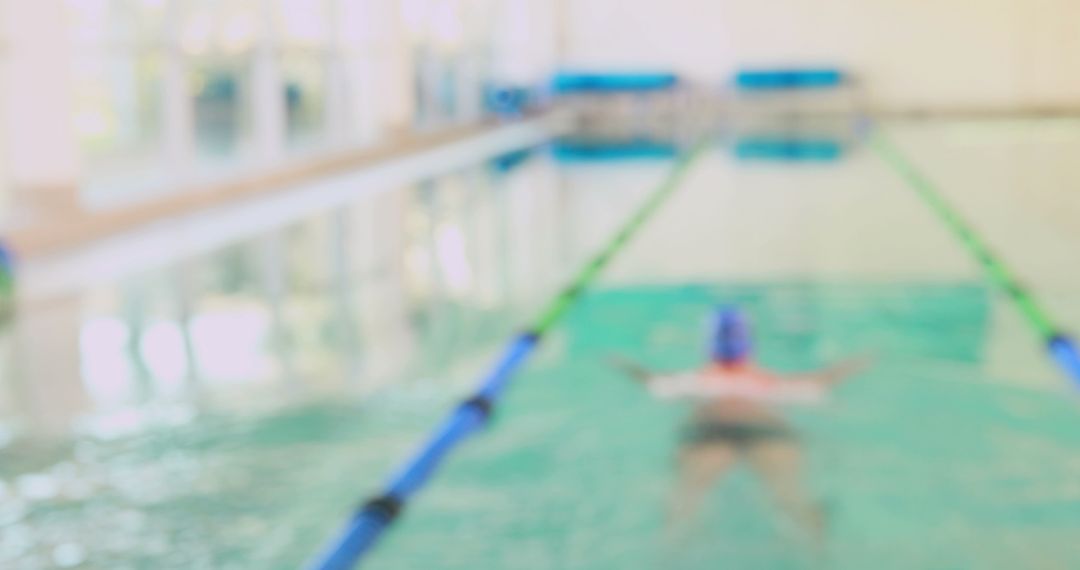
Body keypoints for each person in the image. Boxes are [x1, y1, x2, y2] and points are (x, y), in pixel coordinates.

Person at [611, 306, 868, 548]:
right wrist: (856, 363)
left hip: (710, 432)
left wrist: (621, 363)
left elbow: (652, 383)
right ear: (750, 345)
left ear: (708, 345)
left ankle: (668, 556)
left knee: (683, 506)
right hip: (767, 432)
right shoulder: (767, 382)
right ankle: (818, 553)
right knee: (792, 500)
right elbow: (819, 384)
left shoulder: (696, 381)